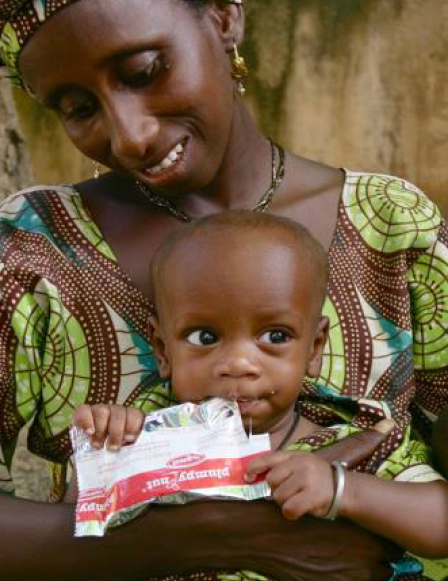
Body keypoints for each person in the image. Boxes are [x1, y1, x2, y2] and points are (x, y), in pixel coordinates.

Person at [0, 0, 448, 580]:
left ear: (223, 21)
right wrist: (211, 538)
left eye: (143, 71)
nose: (130, 135)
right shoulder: (34, 247)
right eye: (78, 108)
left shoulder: (391, 225)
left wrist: (349, 492)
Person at [70, 211, 448, 580]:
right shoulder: (144, 436)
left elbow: (441, 522)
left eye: (275, 337)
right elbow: (74, 532)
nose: (238, 364)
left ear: (315, 348)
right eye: (205, 337)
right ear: (163, 351)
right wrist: (105, 455)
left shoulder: (359, 438)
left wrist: (342, 491)